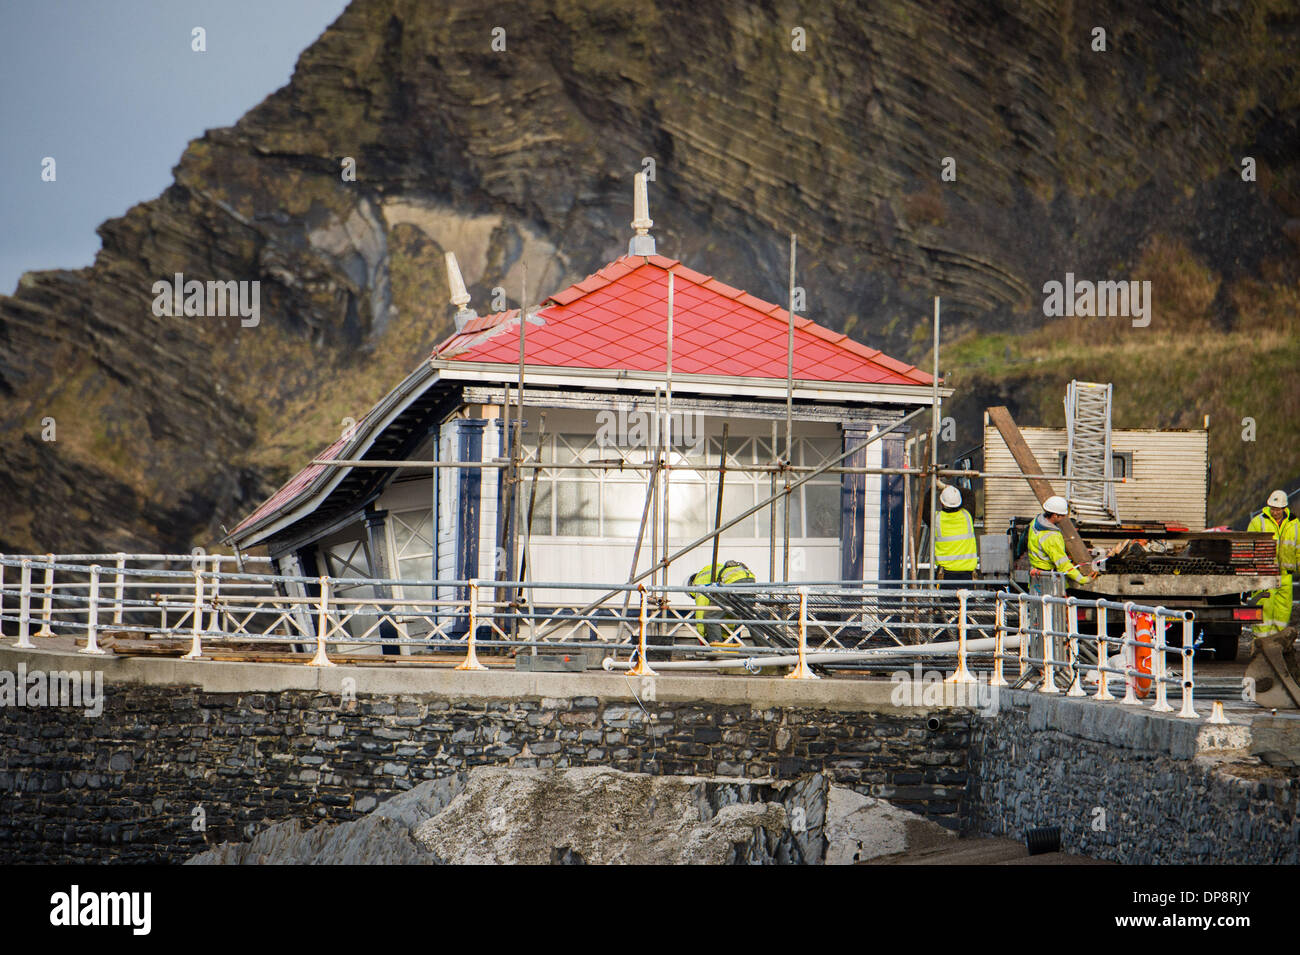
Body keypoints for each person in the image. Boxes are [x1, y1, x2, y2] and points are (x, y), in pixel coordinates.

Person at [1247, 490, 1298, 634]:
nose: (1275, 512)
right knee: (1264, 608)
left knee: (1283, 610)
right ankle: (1261, 642)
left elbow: (1298, 547)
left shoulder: (1294, 523)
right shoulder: (1258, 522)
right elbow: (1249, 546)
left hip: (1285, 575)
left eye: (1278, 509)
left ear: (1284, 508)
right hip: (1265, 574)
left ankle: (1277, 640)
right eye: (1273, 508)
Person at [934, 484, 978, 581]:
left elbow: (925, 508)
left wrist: (933, 488)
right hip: (968, 575)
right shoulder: (967, 516)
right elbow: (969, 494)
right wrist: (947, 486)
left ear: (941, 502)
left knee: (944, 596)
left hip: (945, 576)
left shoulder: (936, 519)